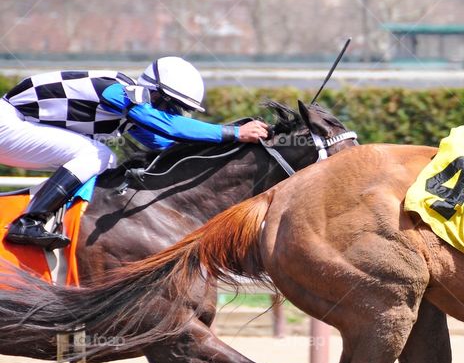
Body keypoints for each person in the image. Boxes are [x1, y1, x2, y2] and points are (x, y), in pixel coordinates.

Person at [0, 56, 270, 249]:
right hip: (8, 122)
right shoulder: (121, 92)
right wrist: (233, 133)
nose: (173, 112)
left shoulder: (128, 111)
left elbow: (164, 144)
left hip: (17, 126)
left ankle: (56, 220)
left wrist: (232, 150)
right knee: (96, 154)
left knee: (105, 160)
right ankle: (28, 222)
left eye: (179, 109)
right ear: (154, 92)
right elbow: (170, 127)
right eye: (172, 105)